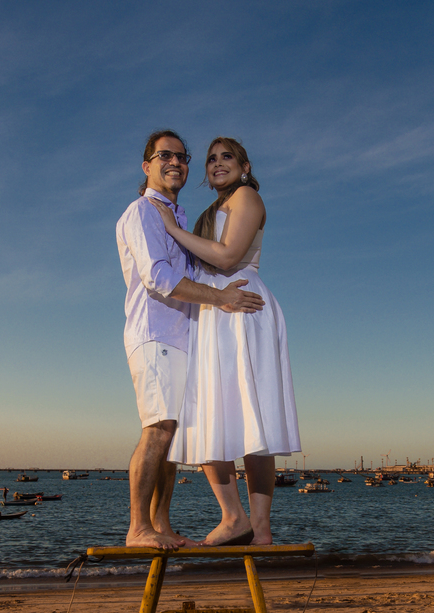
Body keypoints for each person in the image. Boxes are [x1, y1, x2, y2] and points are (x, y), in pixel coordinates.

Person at [116, 130, 266, 550]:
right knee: (158, 429)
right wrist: (220, 299)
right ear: (147, 166)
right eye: (165, 155)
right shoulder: (143, 211)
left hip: (184, 337)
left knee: (174, 436)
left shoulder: (179, 219)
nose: (176, 162)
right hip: (156, 333)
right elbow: (157, 278)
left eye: (182, 157)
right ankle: (137, 528)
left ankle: (159, 524)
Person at [147, 137, 300, 546]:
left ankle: (260, 526)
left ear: (245, 166)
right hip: (216, 310)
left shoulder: (247, 197)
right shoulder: (214, 209)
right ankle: (234, 517)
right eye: (211, 159)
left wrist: (172, 230)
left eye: (226, 157)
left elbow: (229, 255)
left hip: (242, 308)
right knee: (211, 410)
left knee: (251, 413)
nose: (216, 164)